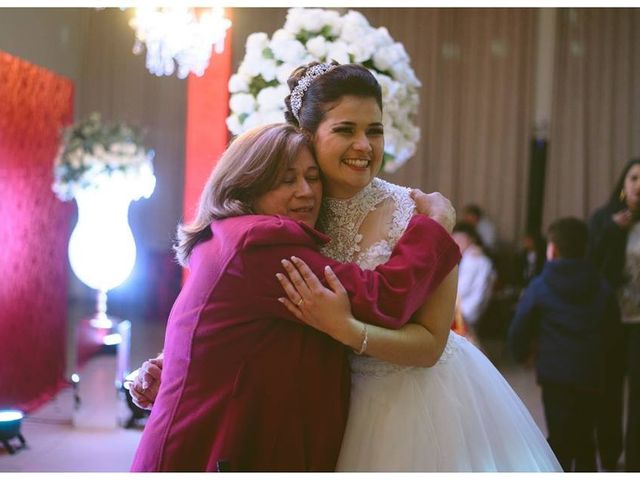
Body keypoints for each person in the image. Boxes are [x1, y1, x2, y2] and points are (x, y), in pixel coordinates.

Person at [132, 62, 560, 471]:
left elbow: (432, 343)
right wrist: (175, 361)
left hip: (407, 407)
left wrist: (350, 329)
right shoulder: (285, 223)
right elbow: (243, 310)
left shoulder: (414, 209)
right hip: (296, 424)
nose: (364, 146)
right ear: (308, 136)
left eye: (374, 131)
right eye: (345, 130)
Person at [129, 122, 460, 472]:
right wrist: (435, 225)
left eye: (312, 177)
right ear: (247, 186)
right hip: (215, 452)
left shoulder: (225, 233)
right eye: (286, 180)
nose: (306, 192)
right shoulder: (261, 240)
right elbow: (386, 299)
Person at [508, 217, 619, 471]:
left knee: (559, 438)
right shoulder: (602, 287)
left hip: (555, 375)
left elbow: (520, 326)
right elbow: (613, 332)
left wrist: (521, 354)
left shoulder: (541, 285)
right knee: (585, 437)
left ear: (552, 250)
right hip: (592, 374)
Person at [588, 158, 640, 472]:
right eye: (635, 177)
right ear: (624, 183)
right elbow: (592, 268)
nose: (639, 185)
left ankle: (635, 461)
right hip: (609, 321)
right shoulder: (603, 219)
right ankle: (609, 457)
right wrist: (613, 231)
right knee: (608, 392)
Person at [452, 221, 496, 333]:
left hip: (465, 312)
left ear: (471, 239)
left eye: (460, 240)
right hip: (474, 310)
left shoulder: (472, 259)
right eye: (454, 240)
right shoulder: (478, 256)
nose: (456, 243)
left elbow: (460, 289)